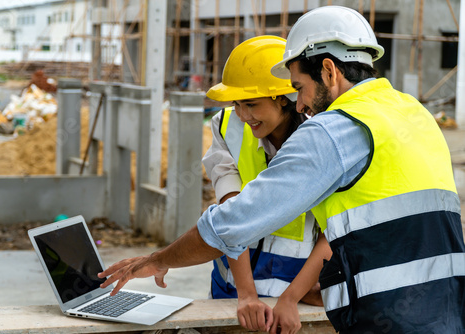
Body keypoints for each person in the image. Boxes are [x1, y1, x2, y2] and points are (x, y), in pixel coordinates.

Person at [99, 6, 465, 334]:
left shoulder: (334, 129)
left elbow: (233, 222)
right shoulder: (415, 113)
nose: (301, 103)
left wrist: (158, 260)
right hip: (447, 307)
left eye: (300, 88)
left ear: (328, 70)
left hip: (385, 315)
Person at [203, 35, 326, 331]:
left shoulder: (323, 141)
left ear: (283, 98)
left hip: (291, 299)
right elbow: (232, 214)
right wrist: (246, 294)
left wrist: (291, 297)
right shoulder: (227, 127)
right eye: (237, 103)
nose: (243, 115)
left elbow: (331, 231)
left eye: (252, 104)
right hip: (231, 291)